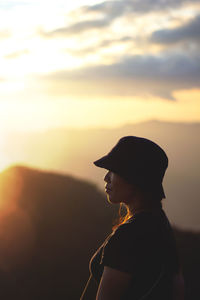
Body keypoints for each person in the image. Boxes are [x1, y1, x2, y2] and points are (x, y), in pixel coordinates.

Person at [80, 136, 184, 300]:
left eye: (114, 171)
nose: (106, 178)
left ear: (134, 178)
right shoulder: (160, 224)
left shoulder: (128, 235)